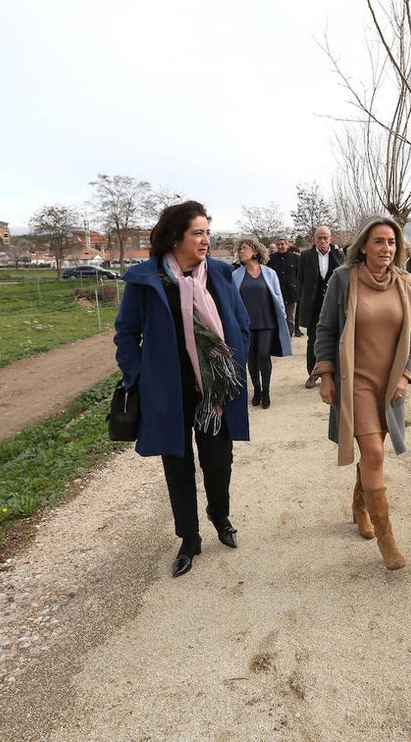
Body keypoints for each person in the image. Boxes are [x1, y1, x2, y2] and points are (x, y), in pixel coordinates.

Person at [114, 200, 251, 579]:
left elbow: (240, 323)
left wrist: (234, 363)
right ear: (176, 237)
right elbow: (126, 334)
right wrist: (140, 374)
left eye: (208, 232)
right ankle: (189, 538)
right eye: (198, 233)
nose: (206, 240)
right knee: (178, 466)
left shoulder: (220, 274)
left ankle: (219, 515)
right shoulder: (147, 280)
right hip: (168, 392)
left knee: (218, 462)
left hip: (214, 391)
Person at [311, 217, 411, 571]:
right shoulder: (344, 280)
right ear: (364, 246)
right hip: (354, 380)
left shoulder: (405, 284)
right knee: (374, 451)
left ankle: (360, 507)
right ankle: (388, 541)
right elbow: (326, 328)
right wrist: (326, 373)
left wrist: (406, 375)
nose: (386, 249)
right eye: (379, 242)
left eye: (391, 242)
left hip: (389, 385)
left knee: (373, 454)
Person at [233, 237, 292, 409]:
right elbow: (232, 301)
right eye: (240, 249)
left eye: (245, 248)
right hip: (246, 324)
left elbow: (278, 296)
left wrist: (282, 316)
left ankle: (266, 391)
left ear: (255, 251)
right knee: (251, 358)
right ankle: (257, 389)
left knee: (264, 356)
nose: (241, 251)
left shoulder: (269, 273)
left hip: (267, 322)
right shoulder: (235, 275)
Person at [297, 225, 344, 388]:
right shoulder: (305, 257)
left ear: (330, 239)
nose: (323, 241)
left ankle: (333, 373)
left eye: (326, 238)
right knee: (313, 340)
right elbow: (300, 281)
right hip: (313, 305)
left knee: (336, 339)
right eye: (319, 238)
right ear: (314, 239)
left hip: (334, 304)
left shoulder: (339, 255)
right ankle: (313, 373)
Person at [267, 238, 301, 337]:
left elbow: (300, 275)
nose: (280, 246)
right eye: (278, 245)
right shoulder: (271, 259)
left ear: (287, 245)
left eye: (282, 244)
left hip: (291, 293)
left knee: (290, 319)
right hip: (277, 293)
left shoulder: (295, 258)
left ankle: (288, 338)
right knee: (278, 317)